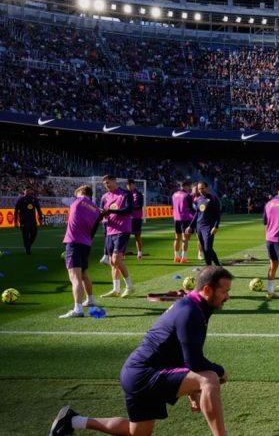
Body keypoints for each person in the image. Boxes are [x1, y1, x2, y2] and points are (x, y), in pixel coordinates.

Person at [49, 266, 233, 436]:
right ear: (207, 290)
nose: (227, 297)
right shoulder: (190, 312)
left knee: (137, 432)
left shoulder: (195, 306)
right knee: (209, 378)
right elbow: (194, 362)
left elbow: (182, 353)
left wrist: (193, 391)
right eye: (224, 292)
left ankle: (73, 421)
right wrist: (220, 371)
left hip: (137, 373)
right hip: (144, 373)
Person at [59, 185, 102, 319]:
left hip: (74, 242)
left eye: (76, 193)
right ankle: (90, 299)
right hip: (86, 243)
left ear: (82, 192)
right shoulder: (95, 209)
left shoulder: (76, 201)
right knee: (83, 274)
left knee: (75, 277)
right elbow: (93, 229)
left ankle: (78, 309)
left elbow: (63, 200)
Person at [98, 175, 135, 299]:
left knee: (116, 260)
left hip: (123, 230)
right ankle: (116, 289)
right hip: (110, 231)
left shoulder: (125, 194)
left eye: (108, 183)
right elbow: (103, 213)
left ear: (115, 181)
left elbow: (129, 210)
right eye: (104, 184)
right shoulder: (104, 197)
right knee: (113, 263)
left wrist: (111, 211)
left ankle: (130, 287)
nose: (106, 185)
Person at [187, 182, 221, 266]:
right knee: (205, 249)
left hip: (208, 226)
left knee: (208, 248)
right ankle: (208, 267)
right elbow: (197, 214)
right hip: (199, 227)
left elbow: (218, 214)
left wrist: (215, 226)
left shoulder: (213, 198)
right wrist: (190, 226)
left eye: (202, 188)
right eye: (199, 189)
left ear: (207, 188)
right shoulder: (198, 199)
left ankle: (218, 266)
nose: (201, 190)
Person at [13, 187, 43, 255]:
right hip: (23, 221)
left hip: (33, 221)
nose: (28, 191)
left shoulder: (34, 199)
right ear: (24, 191)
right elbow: (16, 211)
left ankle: (27, 245)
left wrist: (40, 218)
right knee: (25, 236)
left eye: (29, 190)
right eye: (26, 190)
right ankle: (28, 250)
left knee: (34, 233)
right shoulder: (20, 200)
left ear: (31, 191)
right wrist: (15, 221)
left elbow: (38, 209)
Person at [172, 181, 195, 263]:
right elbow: (191, 208)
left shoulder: (174, 194)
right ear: (186, 186)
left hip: (176, 218)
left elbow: (173, 206)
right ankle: (184, 258)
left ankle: (176, 257)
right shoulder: (187, 195)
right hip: (185, 218)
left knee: (177, 238)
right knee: (185, 239)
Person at [127, 179, 145, 261]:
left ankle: (139, 253)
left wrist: (129, 208)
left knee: (137, 236)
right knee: (125, 236)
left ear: (134, 185)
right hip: (126, 218)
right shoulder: (125, 193)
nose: (129, 186)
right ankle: (121, 253)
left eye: (130, 184)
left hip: (136, 218)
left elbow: (140, 206)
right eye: (128, 185)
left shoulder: (138, 194)